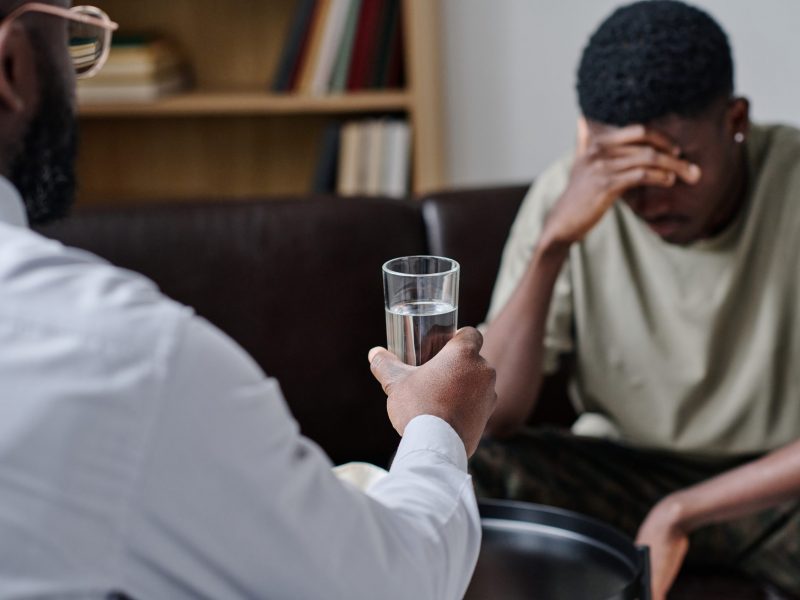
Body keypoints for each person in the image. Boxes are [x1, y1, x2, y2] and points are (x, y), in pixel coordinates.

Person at [0, 1, 497, 598]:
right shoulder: (130, 358)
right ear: (13, 65)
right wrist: (439, 426)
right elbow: (387, 585)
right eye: (75, 40)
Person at [472, 1, 800, 598]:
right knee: (469, 468)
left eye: (677, 164)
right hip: (625, 470)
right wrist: (553, 243)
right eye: (626, 172)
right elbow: (494, 416)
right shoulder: (565, 198)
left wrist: (684, 510)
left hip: (780, 484)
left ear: (736, 120)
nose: (648, 201)